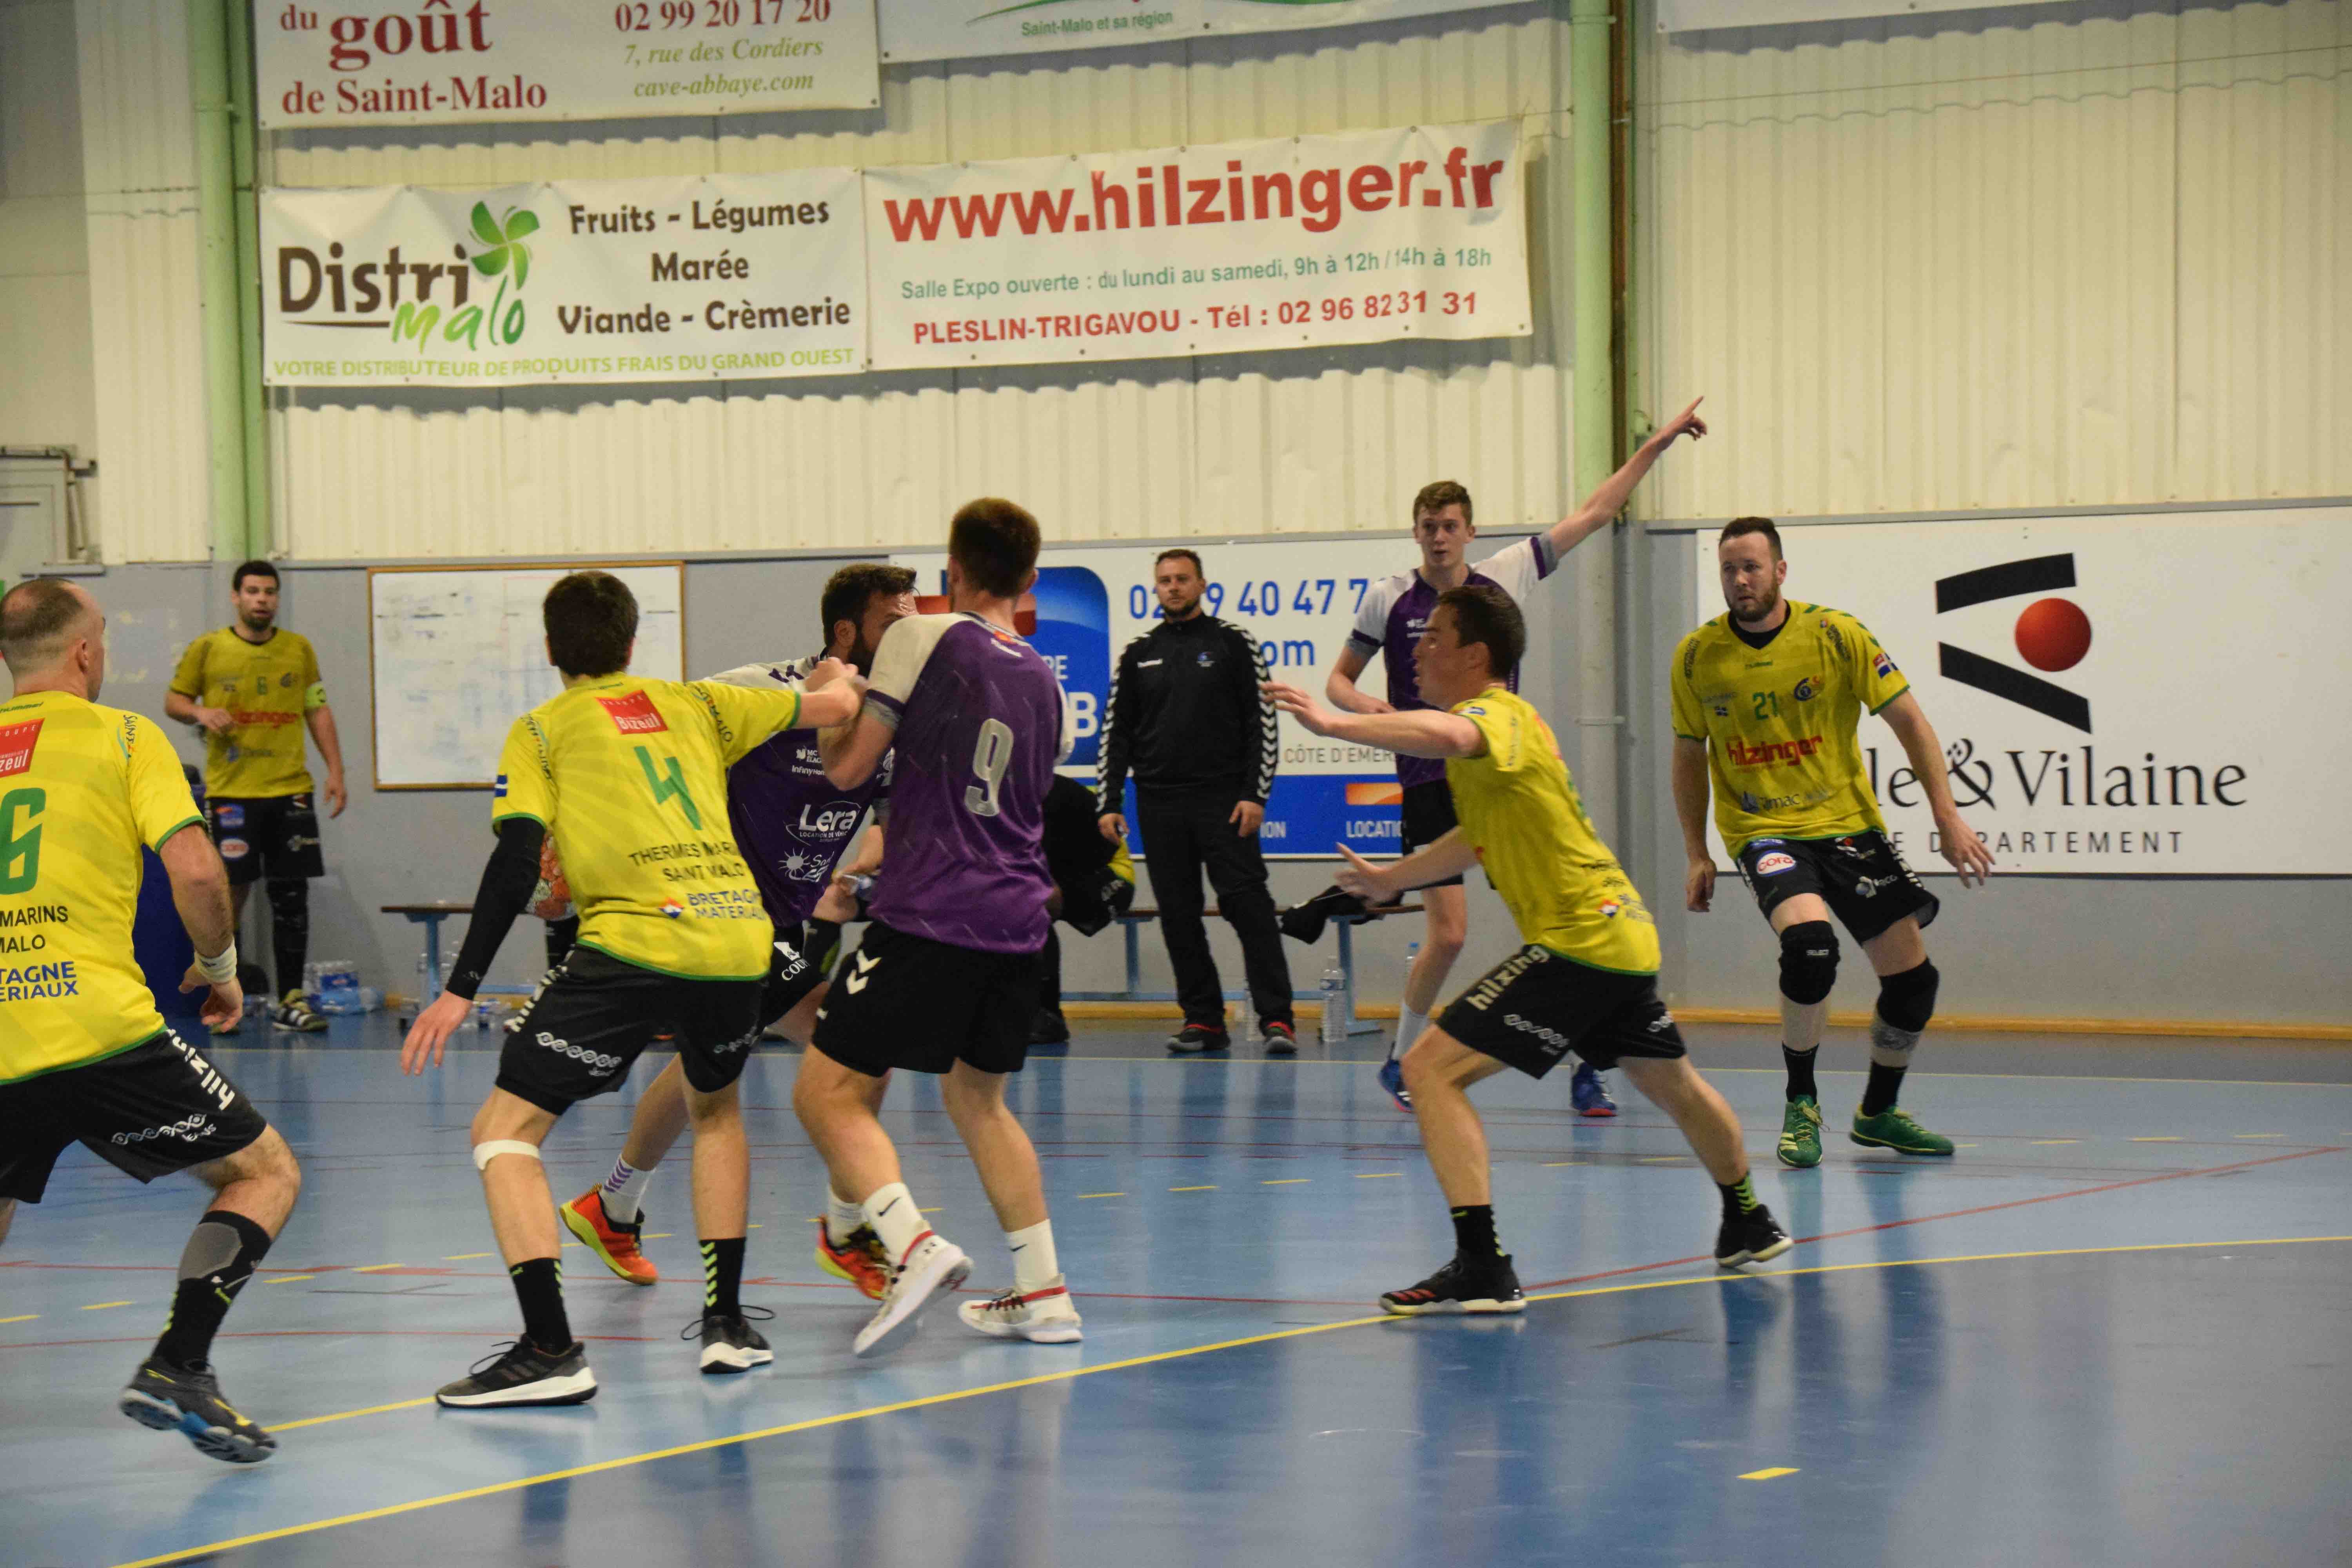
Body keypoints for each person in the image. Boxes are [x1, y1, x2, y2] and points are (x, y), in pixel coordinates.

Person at [399, 571, 862, 1405]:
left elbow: (517, 862)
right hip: (737, 938)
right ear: (633, 641)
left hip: (633, 943)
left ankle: (549, 1350)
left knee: (504, 1131)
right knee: (715, 1110)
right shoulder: (698, 703)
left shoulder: (541, 730)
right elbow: (835, 704)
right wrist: (839, 674)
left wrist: (460, 988)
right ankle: (726, 1324)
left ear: (550, 648)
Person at [1267, 583, 1790, 1314]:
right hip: (1620, 936)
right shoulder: (1492, 744)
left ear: (1474, 656)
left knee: (1427, 1069)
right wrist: (1392, 879)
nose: (1417, 650)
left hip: (1581, 940)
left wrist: (1332, 722)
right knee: (1672, 1083)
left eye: (1434, 637)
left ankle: (1482, 1266)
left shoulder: (1495, 717)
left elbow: (1452, 737)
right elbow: (1477, 840)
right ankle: (1748, 1220)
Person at [1310, 400, 1709, 1113]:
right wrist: (1369, 709)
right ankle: (1403, 1060)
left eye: (1450, 526)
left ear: (1470, 531)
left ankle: (1590, 1067)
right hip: (1431, 782)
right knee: (1450, 934)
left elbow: (1594, 513)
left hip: (1503, 778)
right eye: (1428, 526)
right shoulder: (1389, 598)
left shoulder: (1504, 576)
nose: (1439, 537)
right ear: (1415, 533)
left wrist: (1656, 447)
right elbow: (1339, 682)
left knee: (1560, 920)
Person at [0, 579, 304, 1462]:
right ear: (84, 652)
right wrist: (221, 970)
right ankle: (180, 1364)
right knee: (265, 1171)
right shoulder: (126, 735)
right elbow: (199, 871)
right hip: (98, 1028)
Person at [556, 563, 915, 1303]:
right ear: (846, 632)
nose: (909, 636)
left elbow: (887, 824)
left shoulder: (890, 720)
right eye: (894, 623)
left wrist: (866, 877)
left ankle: (612, 1206)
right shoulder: (763, 692)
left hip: (786, 921)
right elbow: (654, 751)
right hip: (724, 911)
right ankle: (846, 1230)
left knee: (709, 1064)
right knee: (858, 1055)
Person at [798, 498, 1079, 1354]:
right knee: (979, 1099)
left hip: (932, 910)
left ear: (952, 569)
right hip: (1020, 918)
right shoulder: (1048, 682)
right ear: (1030, 581)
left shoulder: (922, 636)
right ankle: (1046, 1293)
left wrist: (830, 700)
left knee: (824, 1093)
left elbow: (849, 771)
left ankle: (913, 1244)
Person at [1671, 517, 1993, 1167]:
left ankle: (1878, 1113)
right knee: (1811, 947)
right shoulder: (1698, 656)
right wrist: (1697, 851)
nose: (1740, 580)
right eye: (1729, 569)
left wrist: (1947, 815)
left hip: (1847, 826)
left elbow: (1910, 721)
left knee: (1914, 983)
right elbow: (1688, 754)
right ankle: (1802, 1102)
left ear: (1780, 571)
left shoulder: (1837, 635)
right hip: (1764, 831)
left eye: (1752, 567)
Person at [1095, 548, 1293, 1055]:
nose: (1174, 587)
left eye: (1183, 578)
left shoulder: (1233, 642)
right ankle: (1203, 1021)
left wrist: (1255, 795)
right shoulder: (1138, 653)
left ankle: (1277, 1018)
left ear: (1202, 585)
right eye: (1165, 580)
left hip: (1225, 801)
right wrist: (1109, 801)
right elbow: (1116, 734)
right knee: (1178, 916)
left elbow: (1263, 724)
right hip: (1159, 804)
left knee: (1248, 907)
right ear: (1155, 588)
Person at [165, 560, 347, 1035]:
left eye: (269, 591)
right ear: (236, 597)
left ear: (276, 598)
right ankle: (226, 1000)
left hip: (290, 790)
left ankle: (291, 1000)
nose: (261, 599)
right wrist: (201, 713)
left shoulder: (298, 649)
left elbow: (318, 709)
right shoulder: (209, 648)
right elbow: (174, 701)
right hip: (233, 794)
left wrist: (336, 770)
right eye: (252, 591)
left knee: (291, 897)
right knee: (228, 899)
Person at [1032, 772, 1138, 1045]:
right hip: (1066, 877)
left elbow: (1109, 842)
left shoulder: (1055, 793)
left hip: (1111, 874)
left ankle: (1048, 1016)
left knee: (1032, 907)